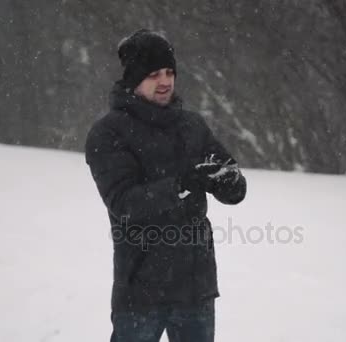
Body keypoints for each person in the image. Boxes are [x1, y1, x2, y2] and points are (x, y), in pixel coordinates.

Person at [84, 29, 247, 342]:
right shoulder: (108, 133)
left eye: (170, 72)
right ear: (133, 79)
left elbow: (233, 182)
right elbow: (124, 203)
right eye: (154, 74)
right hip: (141, 289)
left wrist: (230, 182)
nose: (165, 81)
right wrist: (181, 185)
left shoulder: (192, 125)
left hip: (196, 287)